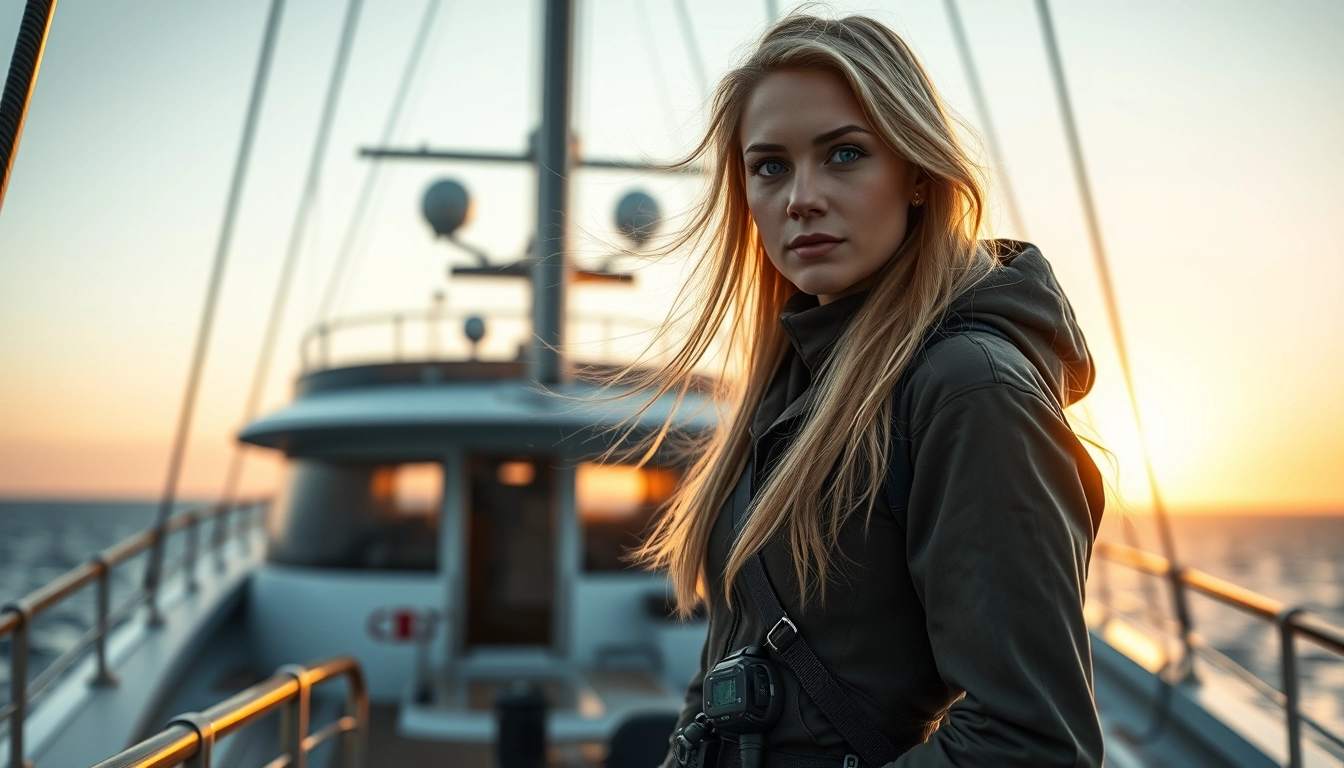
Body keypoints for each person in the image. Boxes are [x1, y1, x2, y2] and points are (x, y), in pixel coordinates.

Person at [622, 12, 1106, 768]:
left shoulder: (967, 388)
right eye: (770, 166)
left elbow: (1029, 744)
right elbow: (729, 662)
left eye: (844, 154)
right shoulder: (792, 381)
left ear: (917, 174)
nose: (800, 197)